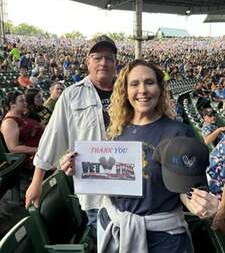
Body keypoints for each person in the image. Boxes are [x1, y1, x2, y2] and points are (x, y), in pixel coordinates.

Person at [61, 59, 220, 253]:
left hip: (163, 241)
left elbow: (184, 191)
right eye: (134, 84)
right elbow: (108, 176)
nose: (142, 90)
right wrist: (77, 166)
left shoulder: (177, 132)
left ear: (160, 89)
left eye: (149, 82)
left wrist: (199, 203)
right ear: (125, 91)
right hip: (114, 229)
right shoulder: (116, 131)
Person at [25, 35, 117, 231]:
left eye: (109, 58)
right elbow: (54, 136)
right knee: (102, 237)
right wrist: (36, 182)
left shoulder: (128, 92)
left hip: (128, 188)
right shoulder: (71, 94)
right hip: (94, 191)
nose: (103, 62)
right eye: (97, 57)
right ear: (88, 61)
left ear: (116, 63)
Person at [0, 91, 44, 167]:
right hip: (34, 159)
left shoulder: (23, 115)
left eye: (25, 101)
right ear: (12, 104)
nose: (25, 103)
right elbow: (13, 148)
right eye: (21, 101)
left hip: (43, 151)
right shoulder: (9, 122)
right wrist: (39, 150)